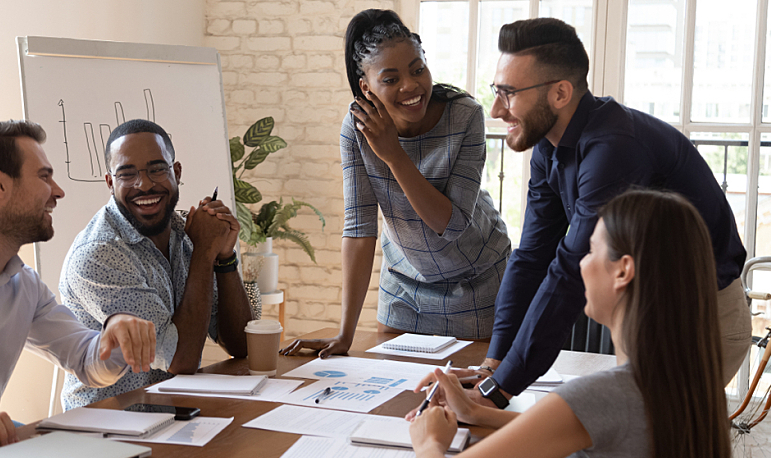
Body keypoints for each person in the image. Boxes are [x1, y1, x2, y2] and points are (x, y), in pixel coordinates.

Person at [437, 17, 750, 405]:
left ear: (561, 93)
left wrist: (499, 391)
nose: (497, 109)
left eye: (509, 92)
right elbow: (533, 257)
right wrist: (494, 365)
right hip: (645, 311)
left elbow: (569, 271)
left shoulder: (613, 149)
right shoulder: (549, 148)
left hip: (700, 319)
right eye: (496, 90)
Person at [409, 189, 732, 458]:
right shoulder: (684, 385)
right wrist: (476, 413)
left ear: (623, 271)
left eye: (591, 250)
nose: (582, 263)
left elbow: (589, 413)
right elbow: (579, 427)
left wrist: (430, 442)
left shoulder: (604, 394)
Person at [281, 9, 512, 358]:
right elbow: (359, 229)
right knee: (393, 401)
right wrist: (344, 335)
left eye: (418, 69)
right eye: (390, 79)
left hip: (477, 284)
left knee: (466, 401)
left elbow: (449, 224)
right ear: (366, 86)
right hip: (404, 288)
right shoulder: (356, 128)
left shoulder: (465, 116)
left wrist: (393, 154)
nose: (411, 86)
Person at [0, 119, 157, 450]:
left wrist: (117, 331)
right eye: (44, 176)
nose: (58, 191)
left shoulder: (26, 286)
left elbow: (88, 362)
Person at [59, 119, 253, 409]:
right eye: (127, 174)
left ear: (176, 172)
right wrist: (203, 251)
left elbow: (242, 345)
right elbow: (180, 359)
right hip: (109, 426)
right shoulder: (99, 253)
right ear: (110, 183)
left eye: (156, 169)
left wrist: (224, 258)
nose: (145, 184)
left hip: (173, 412)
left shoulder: (183, 231)